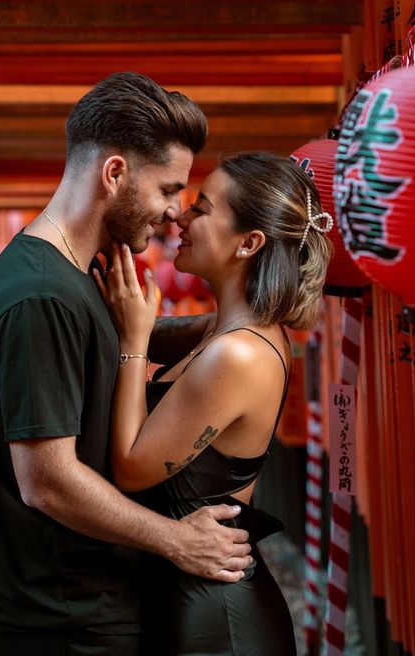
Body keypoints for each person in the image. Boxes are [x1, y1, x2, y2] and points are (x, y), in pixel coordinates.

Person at [0, 72, 252, 656]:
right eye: (168, 190)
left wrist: (239, 320)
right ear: (114, 173)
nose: (176, 214)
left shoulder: (74, 272)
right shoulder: (39, 297)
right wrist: (178, 541)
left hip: (81, 606)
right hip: (59, 620)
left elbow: (103, 346)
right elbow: (47, 482)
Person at [96, 151, 334, 655]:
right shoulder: (231, 330)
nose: (179, 217)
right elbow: (151, 331)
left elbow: (132, 467)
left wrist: (134, 341)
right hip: (192, 592)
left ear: (248, 243)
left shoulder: (240, 353)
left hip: (216, 621)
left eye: (201, 210)